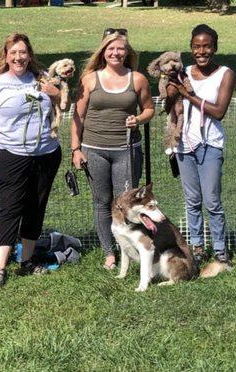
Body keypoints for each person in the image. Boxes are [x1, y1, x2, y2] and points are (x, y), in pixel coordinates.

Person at [0, 33, 62, 287]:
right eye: (13, 53)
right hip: (11, 155)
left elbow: (62, 108)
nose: (18, 57)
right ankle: (1, 267)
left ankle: (28, 260)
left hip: (46, 153)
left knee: (36, 205)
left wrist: (55, 93)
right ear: (6, 56)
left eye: (23, 52)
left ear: (29, 55)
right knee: (10, 208)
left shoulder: (43, 78)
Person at [70, 29, 154, 270]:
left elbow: (149, 109)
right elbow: (77, 115)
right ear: (103, 52)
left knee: (125, 202)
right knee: (102, 201)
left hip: (127, 149)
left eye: (120, 49)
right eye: (111, 49)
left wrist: (138, 119)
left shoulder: (137, 79)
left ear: (127, 52)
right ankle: (109, 252)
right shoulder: (89, 79)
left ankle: (127, 248)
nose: (116, 53)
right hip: (94, 149)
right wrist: (76, 149)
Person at [168, 24, 235, 264]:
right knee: (192, 200)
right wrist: (170, 91)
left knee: (212, 200)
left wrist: (187, 95)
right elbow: (169, 105)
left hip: (211, 146)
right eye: (196, 46)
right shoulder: (182, 72)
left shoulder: (225, 73)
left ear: (215, 48)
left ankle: (219, 249)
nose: (201, 51)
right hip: (185, 146)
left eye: (207, 46)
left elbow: (218, 112)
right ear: (191, 48)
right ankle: (196, 247)